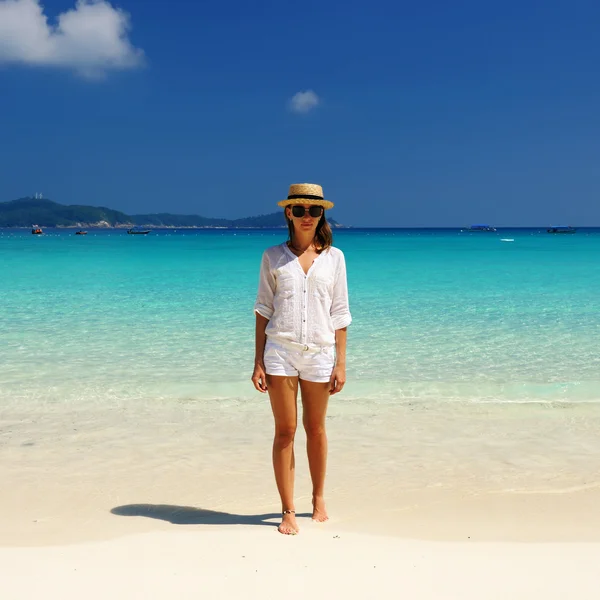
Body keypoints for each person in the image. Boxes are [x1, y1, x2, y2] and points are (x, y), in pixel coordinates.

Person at [251, 183, 352, 535]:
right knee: (285, 431)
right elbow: (263, 310)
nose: (306, 217)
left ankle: (319, 498)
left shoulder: (335, 258)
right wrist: (258, 361)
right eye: (299, 210)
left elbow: (340, 314)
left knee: (316, 429)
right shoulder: (273, 257)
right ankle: (288, 510)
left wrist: (340, 363)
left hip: (321, 355)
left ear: (322, 214)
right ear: (288, 213)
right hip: (279, 353)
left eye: (314, 210)